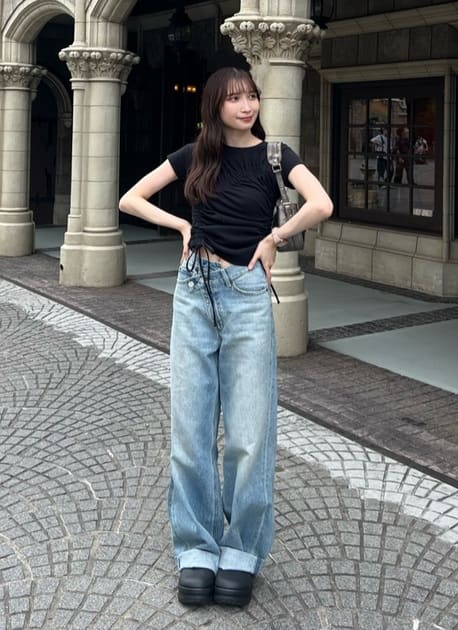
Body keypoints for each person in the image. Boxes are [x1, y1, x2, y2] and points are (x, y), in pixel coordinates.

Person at [119, 66, 333, 608]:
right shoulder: (196, 155)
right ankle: (196, 547)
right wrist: (183, 227)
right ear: (215, 105)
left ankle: (241, 551)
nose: (246, 106)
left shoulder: (276, 156)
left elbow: (322, 203)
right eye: (234, 98)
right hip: (194, 290)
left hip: (247, 293)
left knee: (249, 431)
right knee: (190, 426)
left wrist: (276, 236)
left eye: (251, 96)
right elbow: (130, 199)